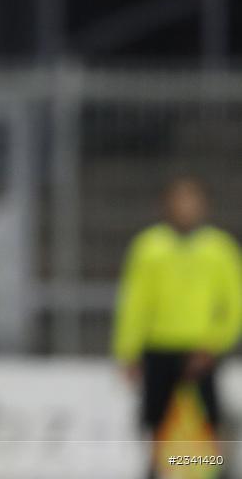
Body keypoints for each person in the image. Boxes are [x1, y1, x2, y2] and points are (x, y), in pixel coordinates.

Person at [112, 176, 242, 477]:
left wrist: (215, 343)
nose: (186, 207)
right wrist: (127, 350)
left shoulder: (219, 249)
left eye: (192, 200)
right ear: (166, 205)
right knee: (156, 417)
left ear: (203, 206)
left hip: (201, 349)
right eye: (180, 200)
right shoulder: (148, 247)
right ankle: (159, 469)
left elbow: (234, 304)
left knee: (210, 417)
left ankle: (215, 469)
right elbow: (134, 302)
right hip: (159, 346)